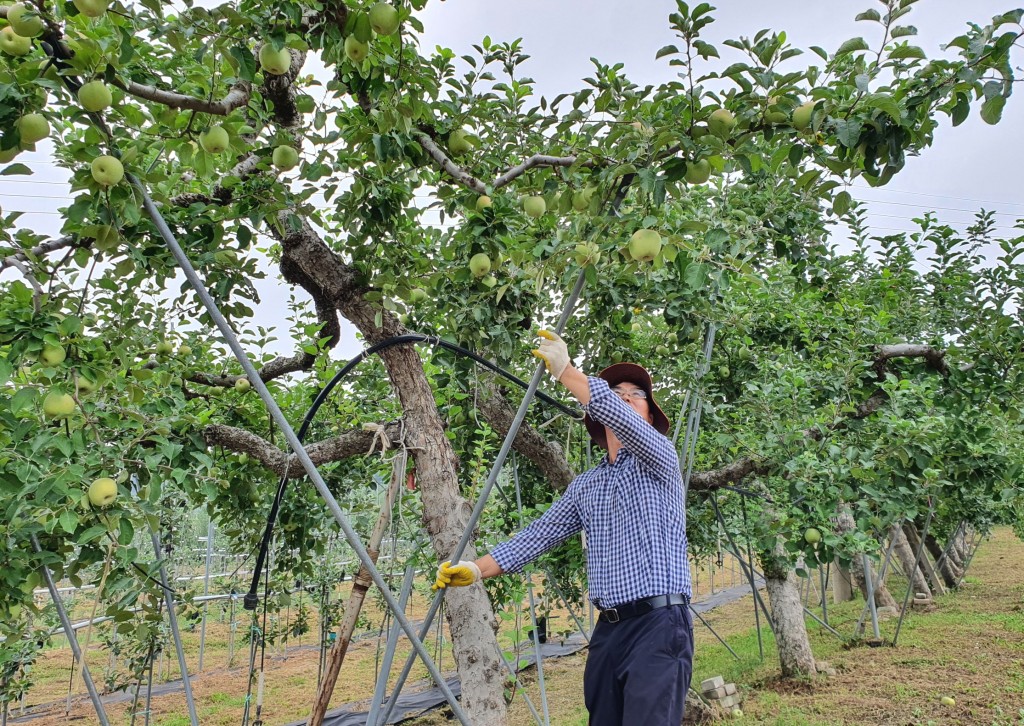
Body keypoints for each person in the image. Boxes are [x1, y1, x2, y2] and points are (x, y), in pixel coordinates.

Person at [434, 330, 694, 726]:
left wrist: (566, 371)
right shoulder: (586, 485)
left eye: (636, 393)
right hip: (609, 632)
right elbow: (538, 535)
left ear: (649, 414)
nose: (625, 395)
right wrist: (475, 569)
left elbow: (626, 422)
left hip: (659, 625)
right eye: (615, 390)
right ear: (596, 418)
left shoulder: (659, 459)